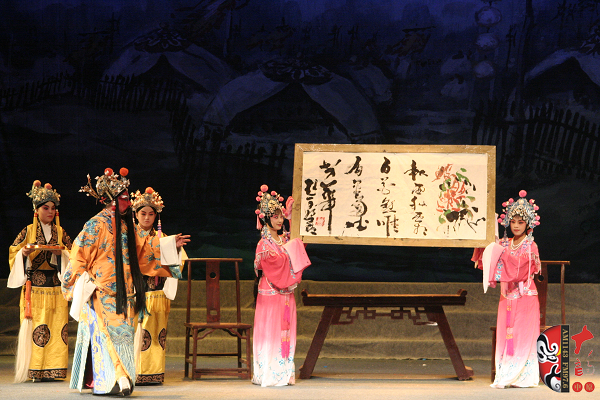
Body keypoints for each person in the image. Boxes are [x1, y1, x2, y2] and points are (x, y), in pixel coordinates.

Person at [62, 168, 190, 396]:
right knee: (108, 336)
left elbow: (144, 249)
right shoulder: (95, 225)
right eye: (123, 198)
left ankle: (124, 378)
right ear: (109, 200)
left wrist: (171, 245)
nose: (128, 202)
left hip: (126, 292)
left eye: (127, 197)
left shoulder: (125, 226)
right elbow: (78, 256)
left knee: (125, 337)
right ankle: (113, 381)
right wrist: (79, 283)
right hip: (102, 291)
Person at [473, 190, 541, 388]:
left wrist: (501, 252)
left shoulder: (531, 246)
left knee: (522, 335)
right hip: (506, 296)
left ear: (528, 224)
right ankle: (505, 373)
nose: (516, 226)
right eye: (513, 222)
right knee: (505, 335)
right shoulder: (504, 243)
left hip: (525, 297)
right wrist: (486, 246)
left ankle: (523, 375)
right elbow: (489, 259)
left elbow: (521, 269)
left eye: (521, 222)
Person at [8, 180, 73, 383]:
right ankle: (34, 369)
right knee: (36, 328)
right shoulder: (27, 231)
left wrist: (61, 255)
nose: (50, 212)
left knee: (57, 328)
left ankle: (55, 369)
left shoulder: (60, 232)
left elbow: (73, 255)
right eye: (46, 208)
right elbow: (13, 252)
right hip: (34, 288)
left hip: (56, 288)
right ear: (37, 210)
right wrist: (24, 253)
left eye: (53, 208)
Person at [252, 184, 307, 387]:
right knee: (270, 331)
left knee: (286, 331)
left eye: (281, 216)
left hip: (285, 293)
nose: (279, 220)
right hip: (270, 292)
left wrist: (292, 218)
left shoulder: (284, 239)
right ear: (266, 218)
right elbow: (280, 261)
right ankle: (268, 373)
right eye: (275, 216)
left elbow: (298, 244)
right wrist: (289, 253)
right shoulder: (264, 245)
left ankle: (284, 372)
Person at [130, 187, 187, 385]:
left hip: (157, 294)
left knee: (156, 334)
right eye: (143, 213)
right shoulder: (128, 238)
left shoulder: (165, 239)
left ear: (156, 216)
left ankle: (154, 373)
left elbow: (178, 265)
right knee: (136, 333)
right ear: (136, 215)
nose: (147, 218)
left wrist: (175, 250)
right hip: (134, 293)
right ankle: (133, 372)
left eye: (151, 214)